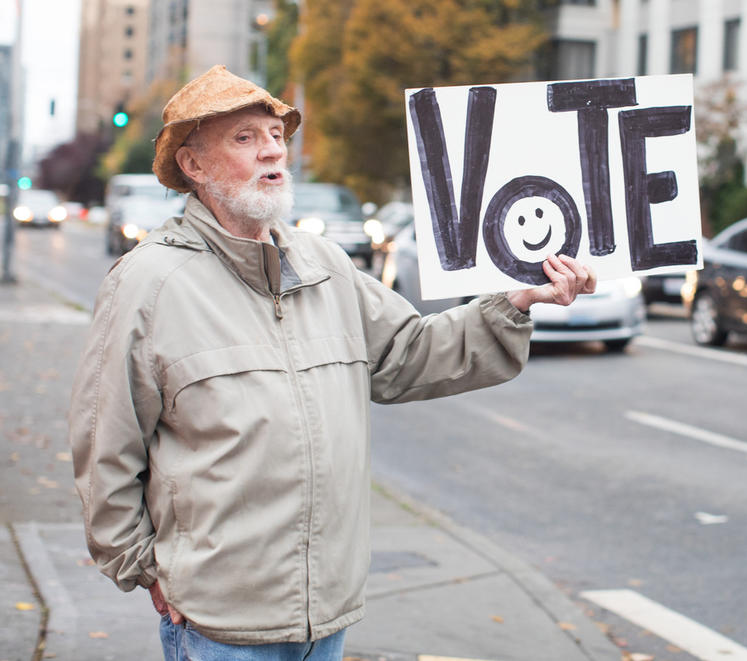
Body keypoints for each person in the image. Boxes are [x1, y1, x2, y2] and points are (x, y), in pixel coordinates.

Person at [68, 64, 595, 661]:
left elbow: (408, 353)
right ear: (192, 166)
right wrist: (147, 571)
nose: (271, 150)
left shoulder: (324, 263)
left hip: (329, 614)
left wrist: (516, 301)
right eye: (245, 138)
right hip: (220, 623)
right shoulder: (148, 283)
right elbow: (103, 444)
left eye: (276, 135)